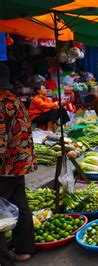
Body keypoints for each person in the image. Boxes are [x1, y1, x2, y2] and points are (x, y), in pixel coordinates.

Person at [0, 64, 36, 265]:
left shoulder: (1, 103)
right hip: (19, 164)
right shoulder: (15, 101)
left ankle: (4, 260)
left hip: (4, 166)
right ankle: (24, 249)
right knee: (19, 205)